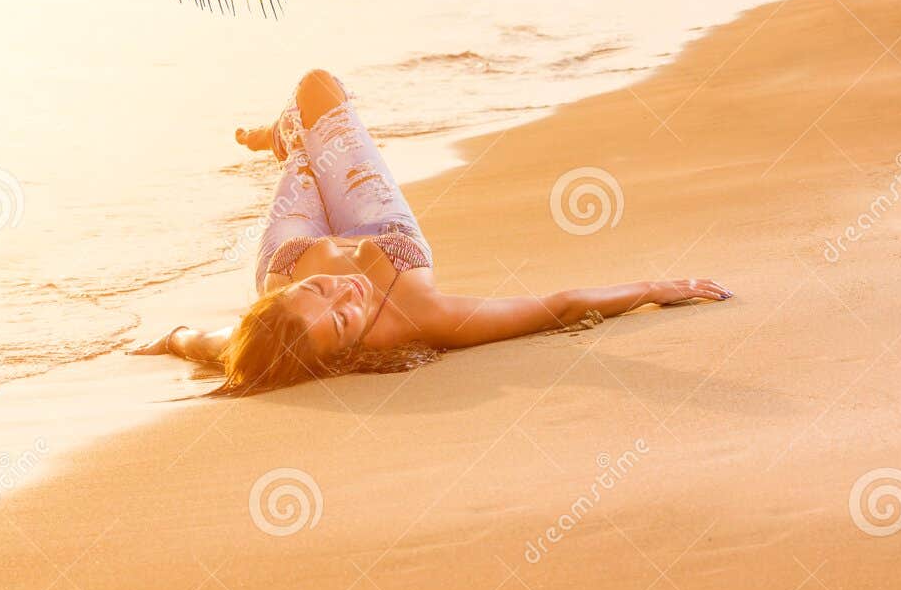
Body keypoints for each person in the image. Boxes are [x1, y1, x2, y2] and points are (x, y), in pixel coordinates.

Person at [130, 69, 730, 395]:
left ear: (282, 299)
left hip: (291, 244)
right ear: (351, 354)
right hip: (383, 227)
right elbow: (558, 305)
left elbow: (196, 340)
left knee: (306, 134)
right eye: (342, 321)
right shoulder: (423, 317)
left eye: (315, 293)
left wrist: (166, 339)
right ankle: (290, 136)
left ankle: (289, 143)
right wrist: (655, 287)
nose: (345, 292)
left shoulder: (265, 313)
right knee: (320, 90)